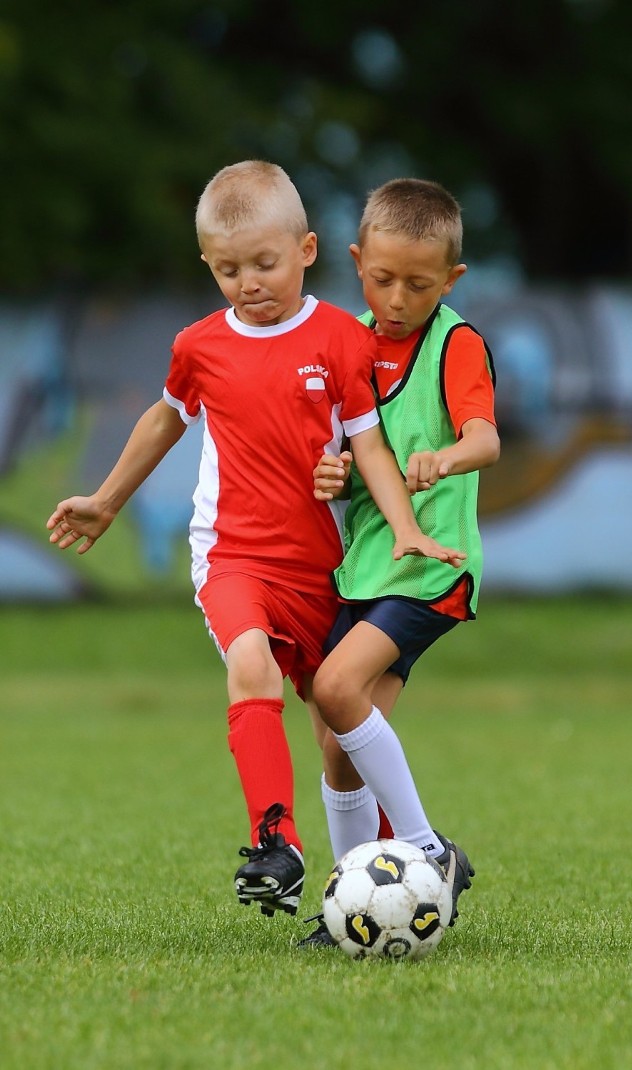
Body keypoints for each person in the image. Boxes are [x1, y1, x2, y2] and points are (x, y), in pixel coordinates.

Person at [46, 161, 466, 921]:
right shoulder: (200, 346)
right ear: (208, 266)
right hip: (233, 558)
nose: (248, 283)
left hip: (325, 573)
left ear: (306, 250)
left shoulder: (342, 340)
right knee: (249, 665)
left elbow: (369, 447)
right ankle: (275, 842)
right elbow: (165, 418)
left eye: (264, 264)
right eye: (228, 269)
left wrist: (404, 529)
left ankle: (393, 875)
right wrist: (107, 501)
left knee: (339, 747)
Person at [299, 178, 500, 947]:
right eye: (382, 278)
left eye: (419, 284)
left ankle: (425, 850)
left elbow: (485, 439)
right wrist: (331, 476)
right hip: (365, 566)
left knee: (336, 686)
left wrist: (443, 458)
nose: (397, 297)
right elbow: (340, 452)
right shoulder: (341, 341)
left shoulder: (456, 342)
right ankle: (351, 899)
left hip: (432, 566)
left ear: (450, 281)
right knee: (335, 734)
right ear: (356, 263)